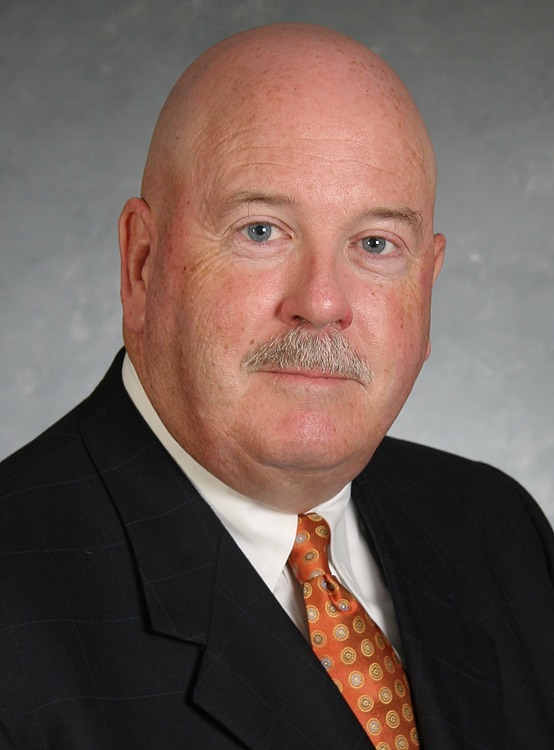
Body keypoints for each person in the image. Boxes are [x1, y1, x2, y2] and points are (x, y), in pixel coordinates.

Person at [1, 22, 553, 750]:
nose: (321, 303)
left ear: (427, 284)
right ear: (142, 264)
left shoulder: (500, 532)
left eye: (376, 244)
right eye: (261, 231)